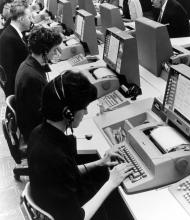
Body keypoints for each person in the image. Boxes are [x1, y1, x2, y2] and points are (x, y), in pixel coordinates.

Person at [28, 70, 133, 220]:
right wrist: (111, 182)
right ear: (68, 113)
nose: (85, 111)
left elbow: (66, 174)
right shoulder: (54, 157)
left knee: (104, 177)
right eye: (83, 107)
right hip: (72, 213)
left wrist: (100, 162)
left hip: (60, 201)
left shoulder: (39, 133)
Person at [15, 26, 62, 143]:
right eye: (54, 49)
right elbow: (44, 115)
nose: (56, 53)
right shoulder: (32, 78)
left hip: (31, 125)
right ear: (45, 51)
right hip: (38, 137)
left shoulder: (28, 63)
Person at [0, 0, 31, 96]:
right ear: (21, 19)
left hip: (14, 86)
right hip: (18, 91)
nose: (31, 20)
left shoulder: (10, 31)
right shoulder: (11, 39)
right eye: (29, 17)